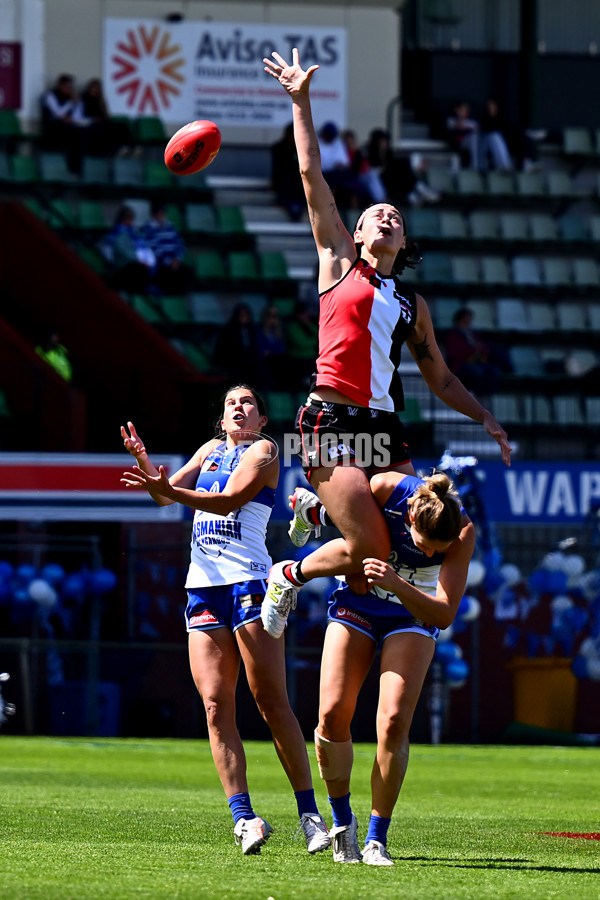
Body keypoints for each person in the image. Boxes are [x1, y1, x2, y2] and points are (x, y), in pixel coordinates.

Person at [258, 48, 510, 637]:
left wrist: (487, 420)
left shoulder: (412, 306)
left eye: (395, 214)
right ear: (361, 231)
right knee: (371, 550)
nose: (387, 216)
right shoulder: (339, 261)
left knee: (405, 542)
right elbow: (311, 178)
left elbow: (442, 380)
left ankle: (315, 508)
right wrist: (301, 101)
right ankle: (287, 574)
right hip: (329, 420)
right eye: (377, 212)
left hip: (383, 428)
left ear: (403, 239)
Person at [120, 385, 330, 856]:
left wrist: (165, 487)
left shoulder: (265, 450)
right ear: (221, 417)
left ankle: (311, 816)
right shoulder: (211, 449)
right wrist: (148, 465)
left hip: (249, 583)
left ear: (260, 417)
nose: (239, 406)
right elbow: (162, 499)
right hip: (204, 587)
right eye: (232, 402)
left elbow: (226, 501)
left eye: (249, 402)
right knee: (215, 705)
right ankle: (245, 819)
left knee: (271, 702)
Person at [290, 469, 475, 865]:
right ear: (410, 519)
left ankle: (376, 839)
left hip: (413, 612)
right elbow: (355, 529)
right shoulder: (386, 489)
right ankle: (343, 825)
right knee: (332, 713)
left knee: (392, 721)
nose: (428, 555)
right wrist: (355, 564)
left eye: (434, 552)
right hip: (358, 604)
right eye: (425, 546)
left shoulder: (462, 530)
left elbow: (442, 613)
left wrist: (397, 584)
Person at [445, 307, 512, 398]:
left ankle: (487, 397)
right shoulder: (453, 335)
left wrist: (481, 349)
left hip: (478, 361)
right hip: (462, 363)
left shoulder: (473, 334)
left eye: (469, 321)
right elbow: (454, 352)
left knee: (494, 371)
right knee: (478, 372)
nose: (467, 323)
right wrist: (472, 349)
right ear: (459, 320)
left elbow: (482, 347)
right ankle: (477, 398)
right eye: (465, 320)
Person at [41, 74, 91, 174]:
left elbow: (77, 116)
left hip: (69, 126)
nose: (69, 89)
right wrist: (70, 103)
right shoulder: (50, 96)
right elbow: (59, 113)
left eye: (70, 86)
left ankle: (79, 168)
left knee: (85, 133)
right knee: (73, 135)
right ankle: (71, 167)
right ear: (60, 85)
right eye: (66, 86)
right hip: (53, 127)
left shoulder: (71, 97)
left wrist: (76, 106)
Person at [102, 205, 157, 295]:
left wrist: (147, 260)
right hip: (121, 267)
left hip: (136, 263)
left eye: (131, 219)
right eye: (128, 218)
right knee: (139, 271)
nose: (130, 221)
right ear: (122, 219)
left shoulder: (133, 233)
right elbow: (121, 253)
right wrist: (138, 260)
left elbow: (143, 248)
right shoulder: (116, 233)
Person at [141, 201, 192, 295]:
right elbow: (153, 249)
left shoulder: (171, 227)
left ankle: (177, 300)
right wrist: (169, 261)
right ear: (154, 214)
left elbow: (180, 244)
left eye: (163, 212)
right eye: (159, 212)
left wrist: (177, 259)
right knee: (167, 275)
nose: (162, 215)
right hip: (159, 264)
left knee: (188, 272)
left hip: (174, 262)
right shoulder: (147, 229)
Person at [79, 78, 134, 156]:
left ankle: (127, 147)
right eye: (94, 87)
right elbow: (81, 114)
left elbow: (105, 114)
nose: (95, 89)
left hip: (103, 121)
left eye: (97, 88)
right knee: (101, 130)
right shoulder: (84, 98)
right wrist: (93, 119)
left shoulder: (100, 99)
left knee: (122, 126)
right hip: (91, 122)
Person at [271, 122, 306, 222]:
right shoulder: (279, 148)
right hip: (285, 185)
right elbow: (277, 169)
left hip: (299, 186)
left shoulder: (303, 150)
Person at [446, 101, 481, 169]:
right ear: (456, 110)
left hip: (471, 144)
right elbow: (456, 128)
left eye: (465, 110)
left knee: (474, 138)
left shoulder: (472, 122)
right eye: (461, 110)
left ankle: (476, 166)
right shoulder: (451, 120)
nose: (463, 112)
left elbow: (477, 130)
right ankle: (475, 166)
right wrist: (460, 119)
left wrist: (466, 127)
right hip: (458, 144)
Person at [480, 98, 513, 171]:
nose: (491, 108)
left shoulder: (501, 118)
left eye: (493, 106)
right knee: (494, 136)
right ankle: (504, 165)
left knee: (497, 137)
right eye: (489, 106)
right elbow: (483, 130)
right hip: (483, 143)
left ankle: (505, 166)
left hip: (497, 143)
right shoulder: (483, 118)